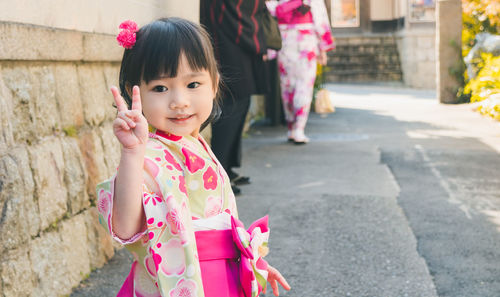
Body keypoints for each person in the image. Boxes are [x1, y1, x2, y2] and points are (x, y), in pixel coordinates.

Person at [96, 18, 290, 297]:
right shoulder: (148, 153)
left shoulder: (195, 144)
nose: (180, 101)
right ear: (132, 91)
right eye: (161, 88)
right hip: (182, 279)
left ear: (214, 85)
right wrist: (131, 154)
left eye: (193, 84)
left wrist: (254, 263)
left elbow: (223, 224)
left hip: (221, 276)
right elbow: (126, 228)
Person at [201, 0, 269, 194]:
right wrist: (258, 41)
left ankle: (227, 168)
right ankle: (218, 174)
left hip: (237, 46)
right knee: (230, 105)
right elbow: (236, 11)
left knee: (241, 103)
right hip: (228, 46)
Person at [271, 0, 335, 144]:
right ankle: (299, 129)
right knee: (304, 86)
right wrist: (323, 48)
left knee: (287, 87)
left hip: (285, 40)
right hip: (305, 40)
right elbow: (319, 18)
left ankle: (291, 128)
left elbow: (271, 9)